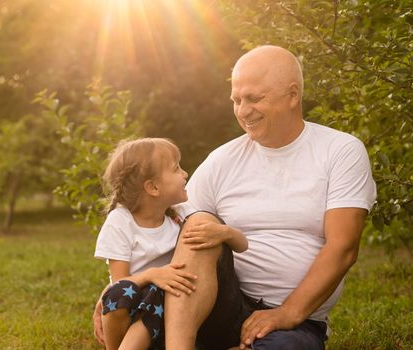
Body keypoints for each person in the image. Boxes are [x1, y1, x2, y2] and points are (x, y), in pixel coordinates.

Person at [161, 45, 377, 350]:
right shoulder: (222, 160)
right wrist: (123, 285)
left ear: (292, 95)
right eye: (236, 100)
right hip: (217, 306)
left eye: (254, 98)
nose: (243, 110)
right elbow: (166, 230)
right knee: (199, 223)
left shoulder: (340, 151)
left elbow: (343, 247)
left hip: (295, 319)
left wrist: (287, 312)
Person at [93, 138, 248, 350]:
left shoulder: (182, 215)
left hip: (174, 313)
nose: (185, 174)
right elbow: (120, 283)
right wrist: (152, 275)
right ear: (153, 187)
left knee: (161, 292)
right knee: (127, 292)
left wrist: (224, 232)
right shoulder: (120, 222)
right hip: (136, 308)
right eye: (176, 169)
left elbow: (242, 245)